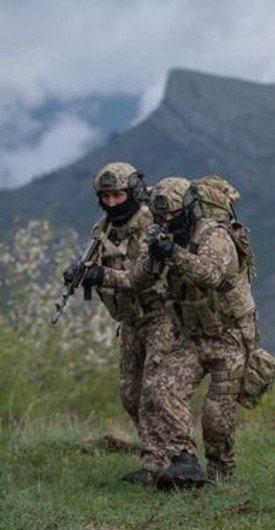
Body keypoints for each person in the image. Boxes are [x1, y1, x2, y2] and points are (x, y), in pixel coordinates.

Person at [103, 176, 256, 488]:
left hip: (229, 337)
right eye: (160, 217)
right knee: (160, 389)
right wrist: (101, 274)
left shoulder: (214, 235)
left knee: (216, 418)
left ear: (187, 209)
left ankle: (220, 475)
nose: (166, 222)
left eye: (172, 215)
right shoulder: (158, 236)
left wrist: (174, 253)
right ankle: (182, 458)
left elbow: (211, 274)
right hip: (191, 335)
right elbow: (136, 279)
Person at [68, 162, 173, 485]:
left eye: (118, 195)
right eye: (106, 196)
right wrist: (80, 273)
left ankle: (164, 462)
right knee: (130, 394)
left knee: (157, 392)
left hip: (160, 316)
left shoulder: (152, 227)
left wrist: (104, 275)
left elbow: (147, 278)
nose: (112, 202)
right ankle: (157, 453)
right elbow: (97, 264)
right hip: (130, 321)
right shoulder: (103, 230)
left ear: (132, 192)